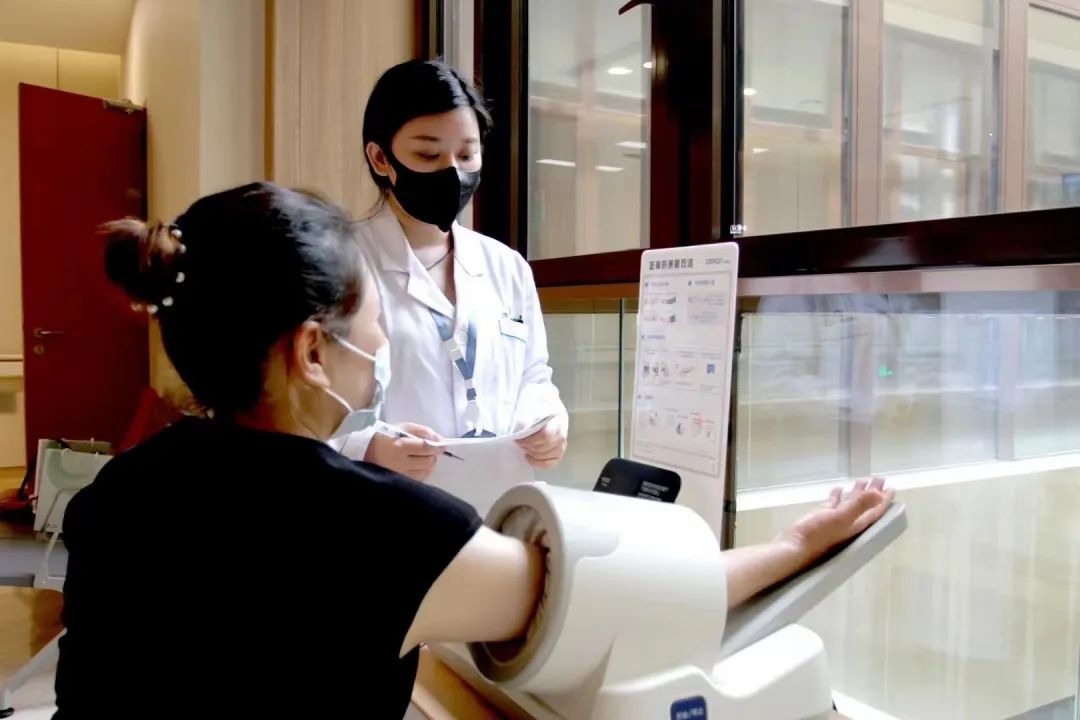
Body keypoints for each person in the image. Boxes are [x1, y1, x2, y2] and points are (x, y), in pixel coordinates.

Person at [55, 182, 894, 719]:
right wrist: (797, 544)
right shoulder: (376, 528)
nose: (381, 344)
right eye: (375, 322)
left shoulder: (120, 489)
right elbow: (624, 593)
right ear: (312, 352)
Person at [337, 59, 567, 488]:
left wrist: (547, 421)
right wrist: (366, 447)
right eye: (428, 154)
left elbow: (534, 376)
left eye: (466, 154)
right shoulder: (340, 261)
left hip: (501, 499)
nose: (453, 172)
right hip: (388, 500)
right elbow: (299, 407)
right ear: (380, 158)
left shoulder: (506, 266)